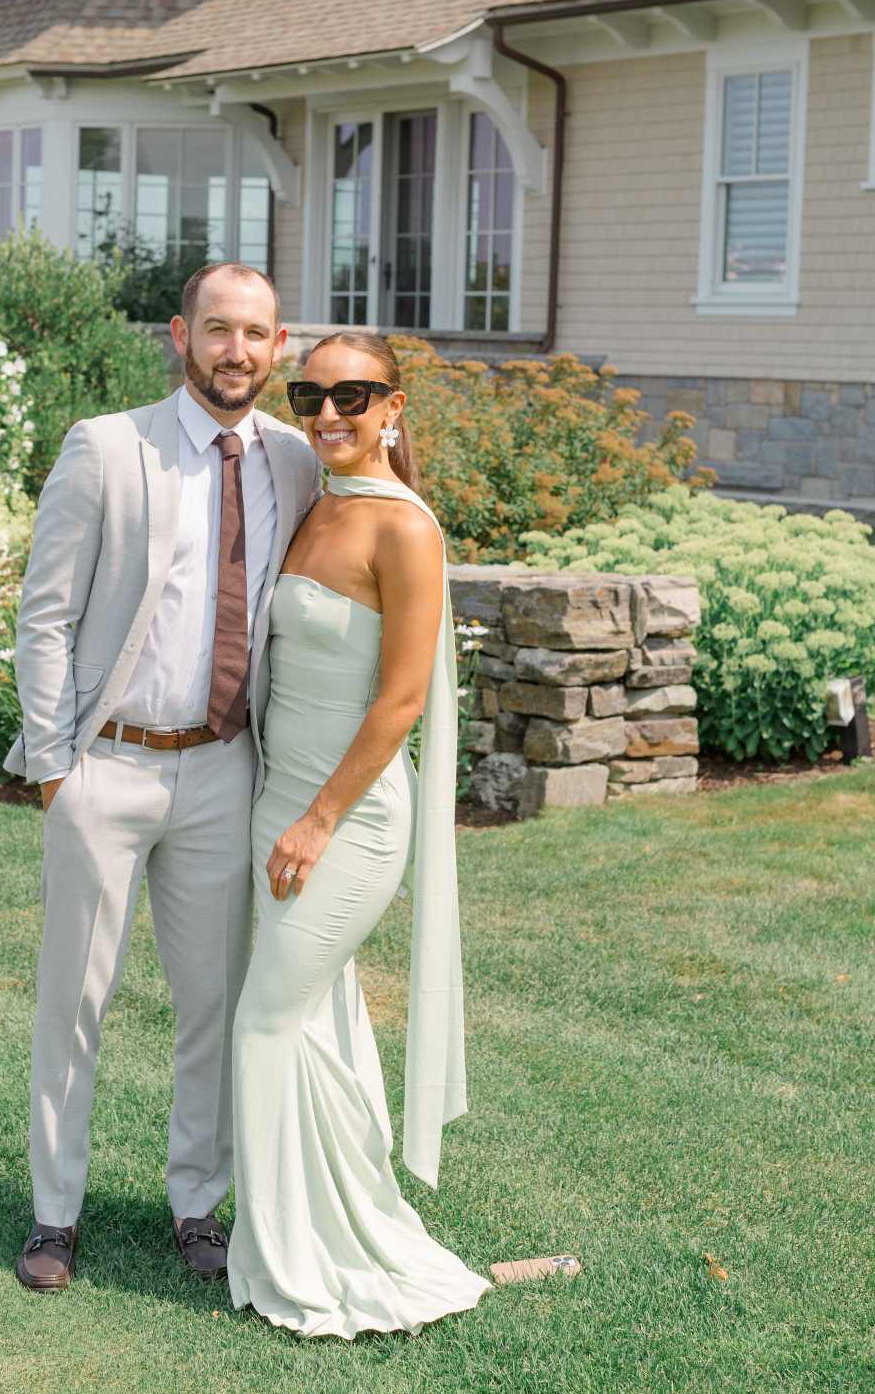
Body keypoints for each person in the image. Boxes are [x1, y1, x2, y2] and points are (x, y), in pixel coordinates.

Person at [3, 262, 321, 1292]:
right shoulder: (107, 448)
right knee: (75, 1002)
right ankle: (55, 1216)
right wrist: (56, 766)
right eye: (218, 329)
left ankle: (197, 1203)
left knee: (212, 1003)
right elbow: (45, 613)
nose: (237, 351)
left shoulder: (294, 461)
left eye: (257, 334)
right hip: (108, 766)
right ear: (180, 335)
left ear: (279, 347)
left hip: (226, 769)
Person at [227, 332, 493, 1338]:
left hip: (346, 820)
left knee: (264, 1025)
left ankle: (299, 1257)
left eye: (352, 395)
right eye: (311, 395)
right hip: (277, 808)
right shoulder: (320, 505)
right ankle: (334, 1222)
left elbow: (402, 701)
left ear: (395, 406)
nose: (328, 413)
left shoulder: (404, 531)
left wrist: (318, 820)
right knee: (312, 1026)